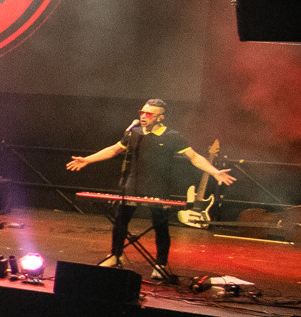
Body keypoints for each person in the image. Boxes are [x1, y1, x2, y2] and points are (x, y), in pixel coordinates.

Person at [65, 98, 236, 278]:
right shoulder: (134, 133)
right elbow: (114, 149)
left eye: (149, 114)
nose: (143, 116)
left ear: (160, 117)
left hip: (158, 187)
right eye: (142, 113)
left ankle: (160, 264)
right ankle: (116, 255)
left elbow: (194, 157)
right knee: (121, 220)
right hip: (133, 184)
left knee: (160, 226)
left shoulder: (172, 136)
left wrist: (215, 172)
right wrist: (87, 160)